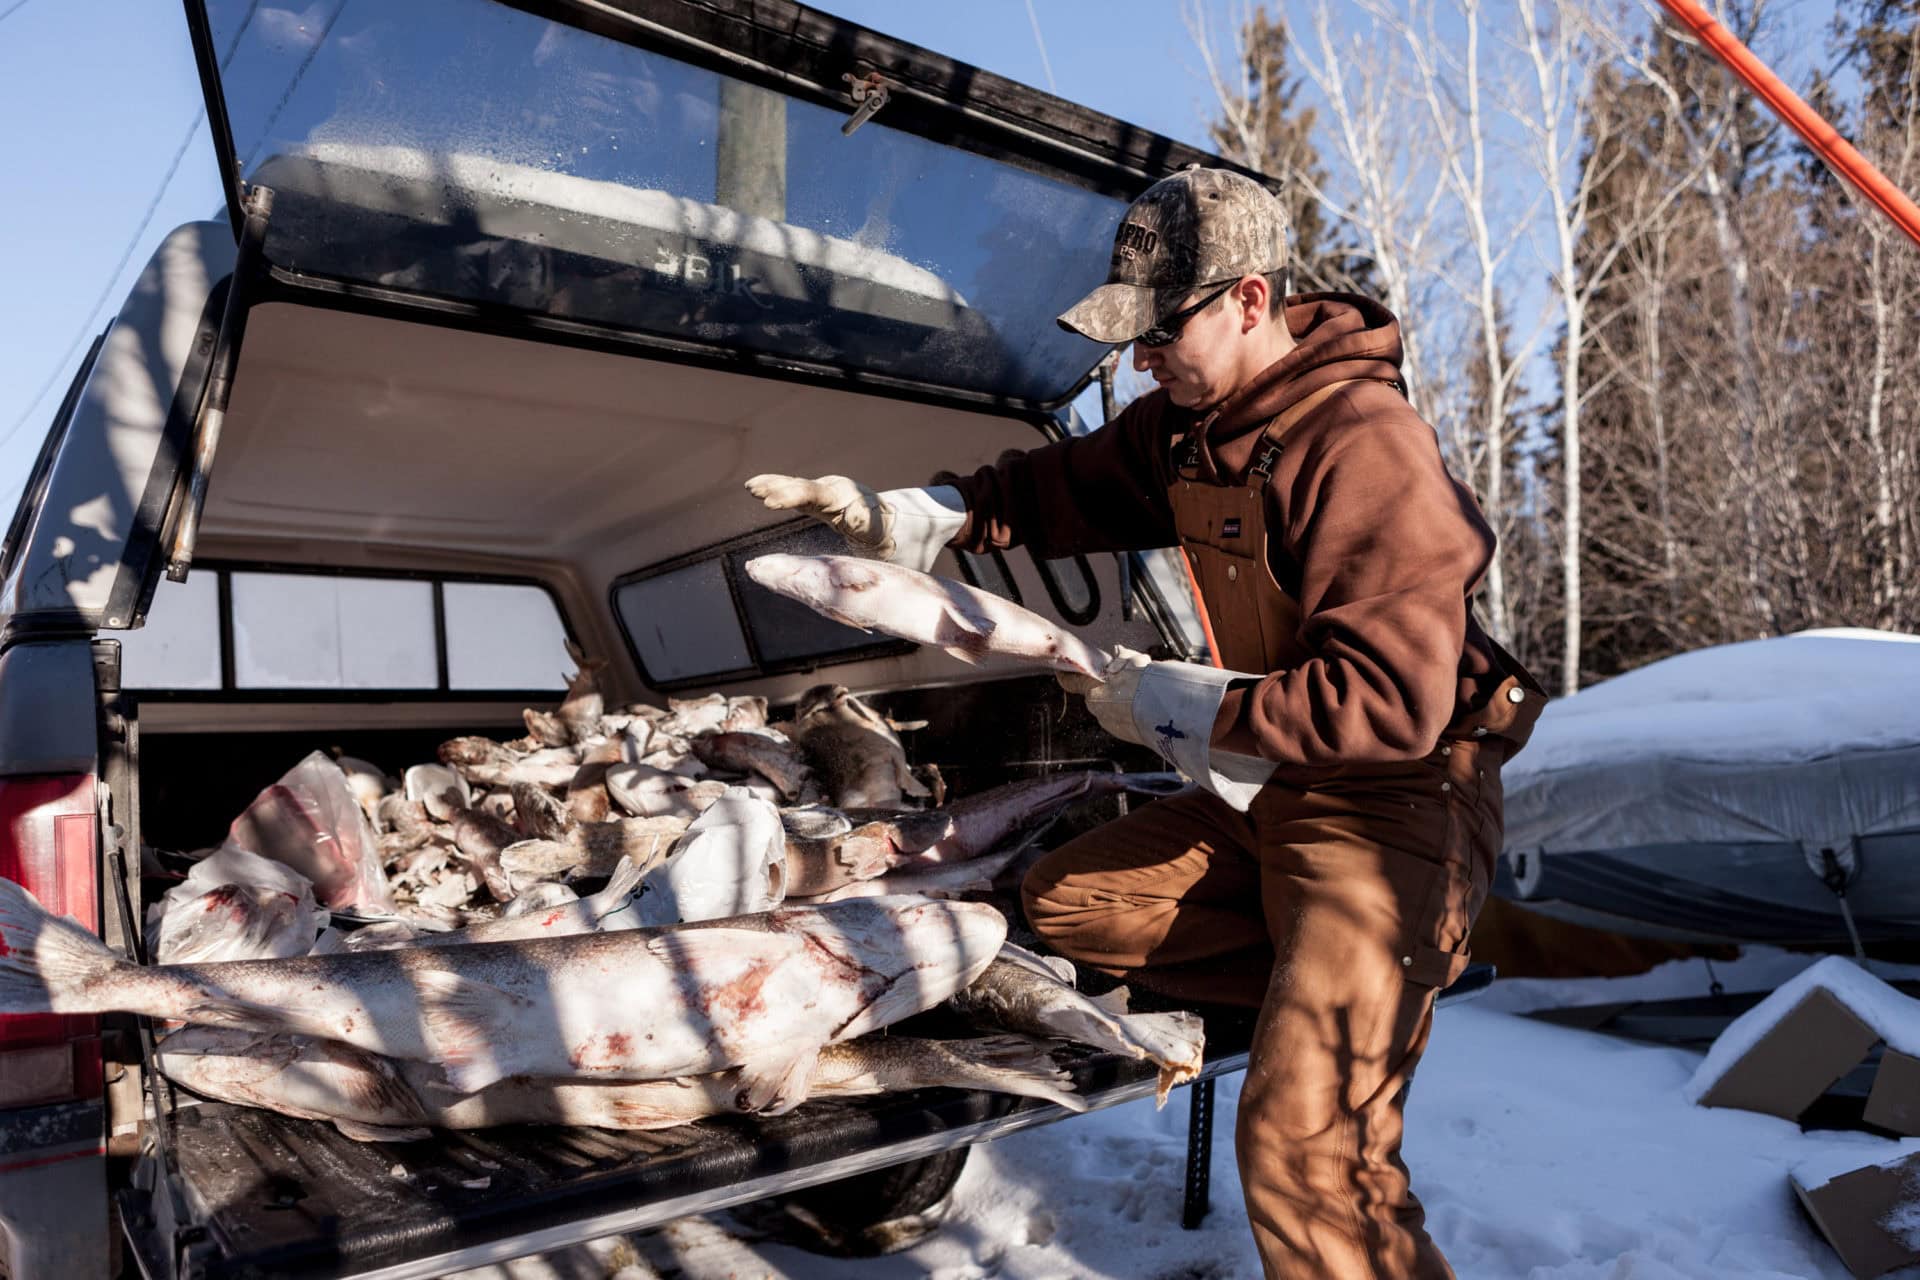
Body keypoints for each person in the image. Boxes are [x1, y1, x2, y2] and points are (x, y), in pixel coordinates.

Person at [745, 166, 1543, 1280]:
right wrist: (918, 512)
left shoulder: (1364, 444)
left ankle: (1345, 1013)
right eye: (1130, 336)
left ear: (1251, 302)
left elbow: (1392, 702)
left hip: (1396, 803)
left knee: (1303, 1148)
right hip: (1280, 789)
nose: (1141, 360)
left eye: (1161, 330)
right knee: (1072, 897)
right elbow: (1059, 485)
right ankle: (1326, 991)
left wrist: (1171, 701)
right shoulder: (1187, 425)